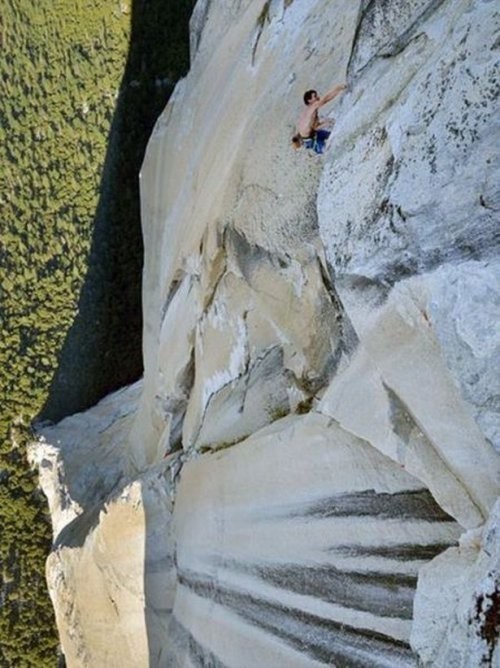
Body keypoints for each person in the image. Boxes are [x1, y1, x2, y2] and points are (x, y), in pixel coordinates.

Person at [292, 83, 346, 154]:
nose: (318, 97)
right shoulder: (312, 107)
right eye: (315, 96)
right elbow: (326, 99)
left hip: (313, 135)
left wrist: (326, 123)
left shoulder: (308, 111)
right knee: (328, 151)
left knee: (334, 136)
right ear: (309, 100)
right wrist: (338, 88)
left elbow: (314, 127)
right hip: (311, 140)